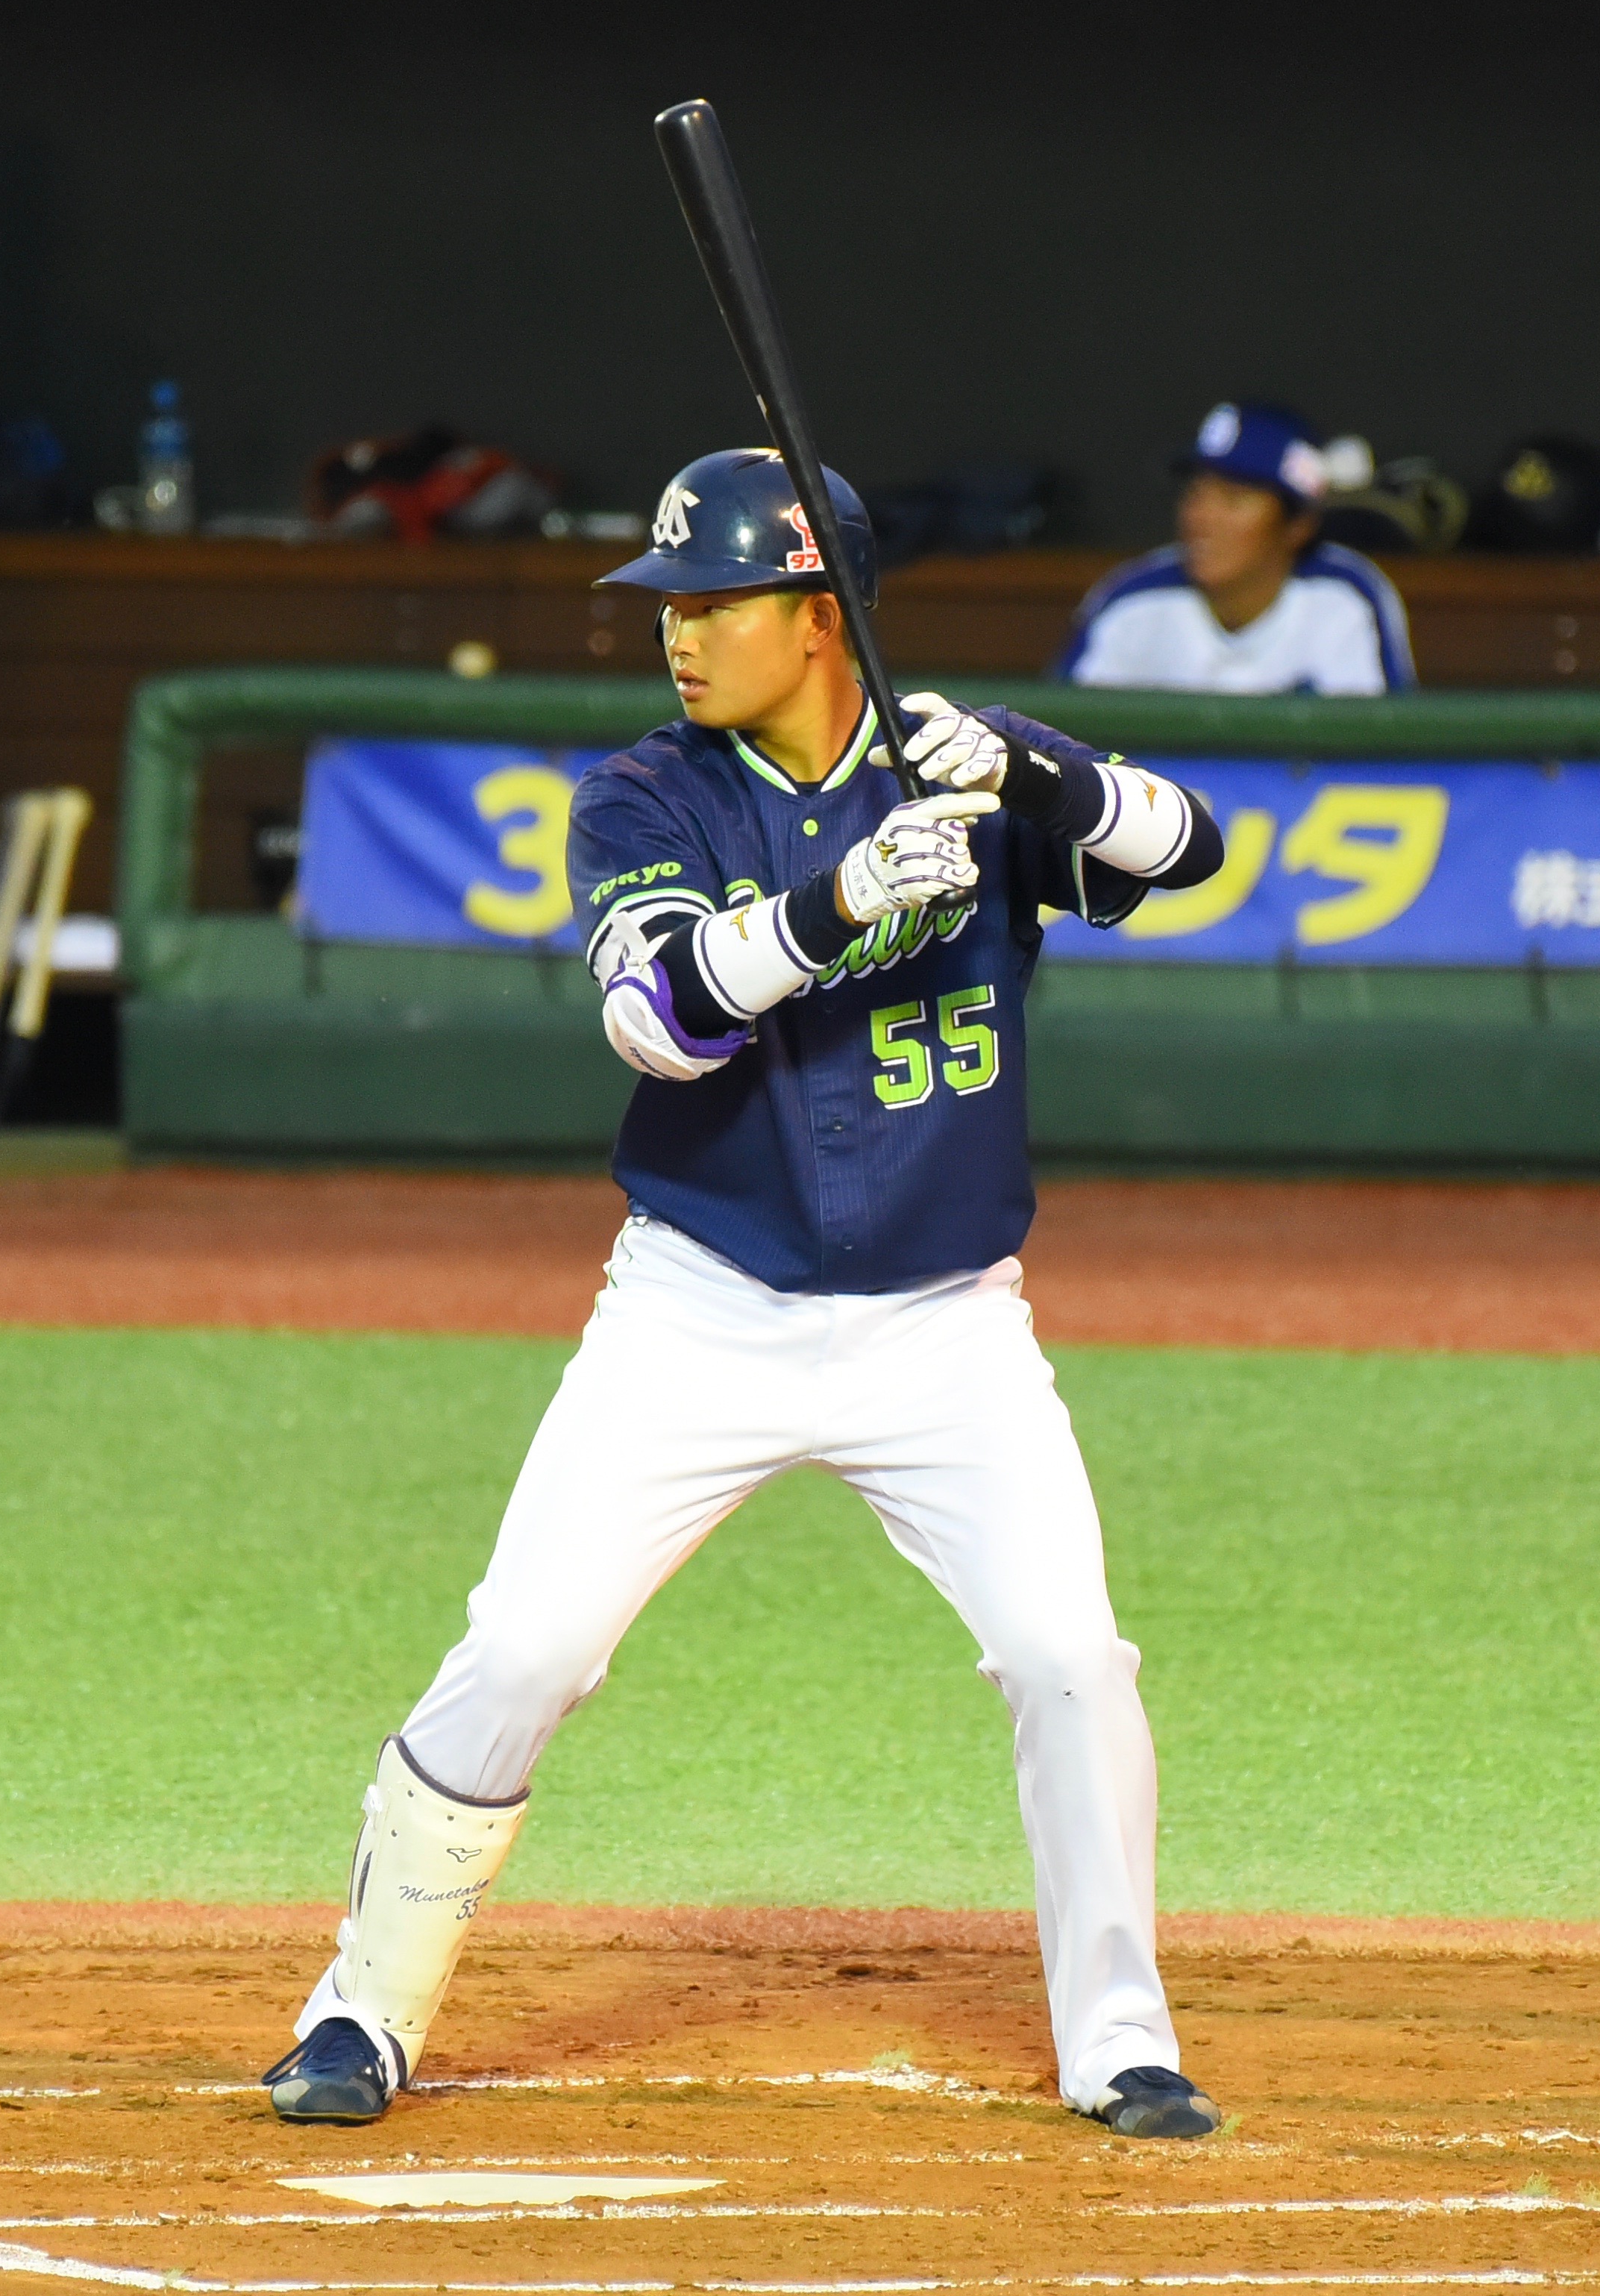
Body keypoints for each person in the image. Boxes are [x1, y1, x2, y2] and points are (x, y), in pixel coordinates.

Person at [260, 448, 1227, 2141]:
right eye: (669, 607)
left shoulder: (966, 763)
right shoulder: (648, 794)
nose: (677, 636)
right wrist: (836, 904)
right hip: (699, 1310)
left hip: (946, 1326)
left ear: (819, 611)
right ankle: (362, 2010)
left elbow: (1192, 855)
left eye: (712, 602)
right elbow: (659, 1014)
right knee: (528, 1646)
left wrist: (1038, 772)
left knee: (1073, 1653)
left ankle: (1122, 2039)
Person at [1059, 402, 1415, 694]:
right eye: (1196, 494)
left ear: (1297, 526)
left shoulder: (1346, 599)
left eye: (1233, 499)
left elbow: (1387, 768)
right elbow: (1056, 757)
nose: (1201, 518)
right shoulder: (1131, 602)